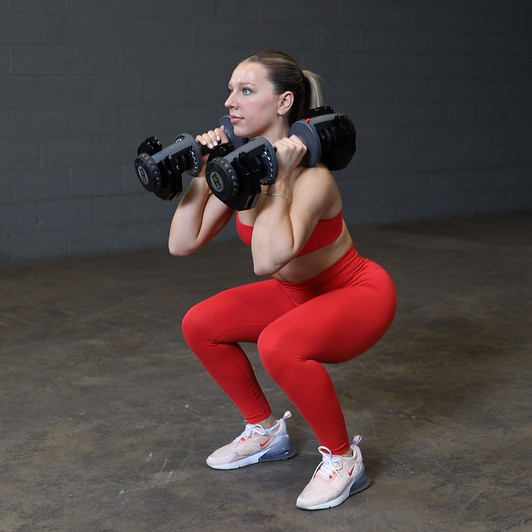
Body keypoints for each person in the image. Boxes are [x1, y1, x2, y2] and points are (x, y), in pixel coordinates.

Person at [168, 50, 396, 510]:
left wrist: (281, 177)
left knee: (278, 344)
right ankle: (265, 433)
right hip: (296, 294)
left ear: (284, 102)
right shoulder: (241, 171)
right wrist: (202, 169)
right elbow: (182, 242)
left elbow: (265, 260)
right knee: (200, 324)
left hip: (356, 294)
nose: (231, 102)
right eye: (231, 89)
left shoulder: (313, 180)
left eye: (247, 91)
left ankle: (342, 457)